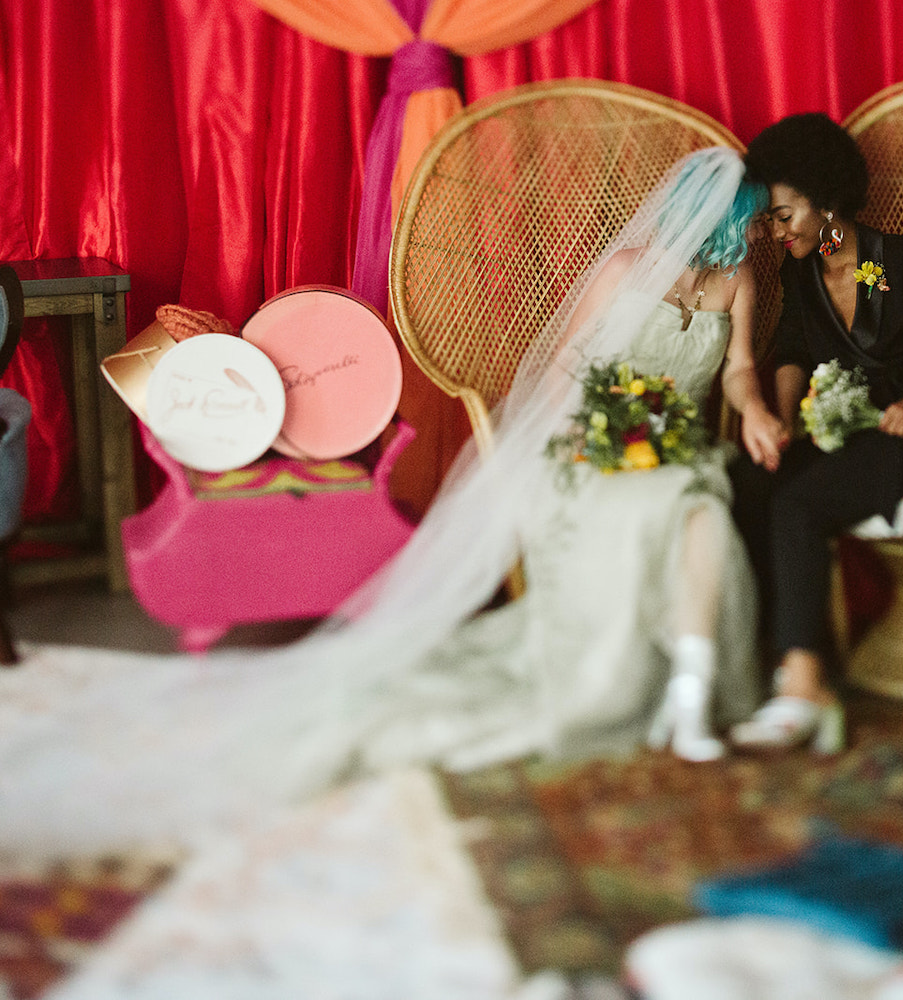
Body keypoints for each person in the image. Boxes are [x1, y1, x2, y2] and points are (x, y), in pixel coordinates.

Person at [0, 148, 772, 855]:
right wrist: (589, 438)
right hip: (591, 442)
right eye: (749, 219)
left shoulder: (736, 282)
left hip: (673, 446)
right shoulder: (626, 269)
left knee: (691, 497)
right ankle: (686, 694)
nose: (756, 233)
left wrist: (757, 405)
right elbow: (569, 363)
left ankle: (687, 693)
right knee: (684, 503)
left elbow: (736, 370)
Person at [729, 113, 903, 752]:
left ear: (828, 200)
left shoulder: (897, 261)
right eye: (766, 219)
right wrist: (786, 415)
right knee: (746, 481)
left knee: (800, 503)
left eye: (783, 215)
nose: (773, 231)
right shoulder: (807, 268)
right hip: (845, 428)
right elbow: (791, 346)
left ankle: (804, 685)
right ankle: (769, 654)